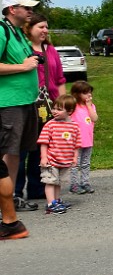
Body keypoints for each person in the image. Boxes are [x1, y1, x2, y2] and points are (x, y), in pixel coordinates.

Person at [14, 12, 67, 210]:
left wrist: (63, 105)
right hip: (26, 103)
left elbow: (60, 79)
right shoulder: (22, 48)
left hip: (48, 106)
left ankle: (37, 188)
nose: (45, 30)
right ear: (29, 29)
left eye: (46, 27)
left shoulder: (50, 50)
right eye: (40, 27)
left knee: (42, 146)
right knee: (21, 149)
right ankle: (15, 192)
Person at [0, 0, 40, 240]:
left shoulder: (17, 32)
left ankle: (10, 200)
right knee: (4, 153)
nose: (30, 12)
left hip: (25, 102)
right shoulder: (2, 31)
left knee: (14, 152)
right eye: (26, 8)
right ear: (12, 9)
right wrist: (23, 67)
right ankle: (6, 213)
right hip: (8, 103)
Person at [36, 93, 80, 214]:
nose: (54, 111)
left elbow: (76, 144)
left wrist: (75, 157)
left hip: (65, 160)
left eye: (59, 109)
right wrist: (44, 157)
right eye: (54, 108)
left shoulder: (74, 126)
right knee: (50, 181)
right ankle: (51, 204)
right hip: (51, 160)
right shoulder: (50, 125)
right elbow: (44, 142)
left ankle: (56, 200)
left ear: (70, 111)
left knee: (58, 182)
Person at [69, 81, 98, 193]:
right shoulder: (73, 107)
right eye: (86, 93)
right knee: (75, 163)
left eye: (90, 93)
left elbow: (94, 118)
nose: (89, 95)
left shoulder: (90, 107)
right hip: (76, 141)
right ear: (77, 94)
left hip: (88, 140)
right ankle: (74, 184)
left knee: (86, 163)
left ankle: (85, 182)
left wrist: (89, 106)